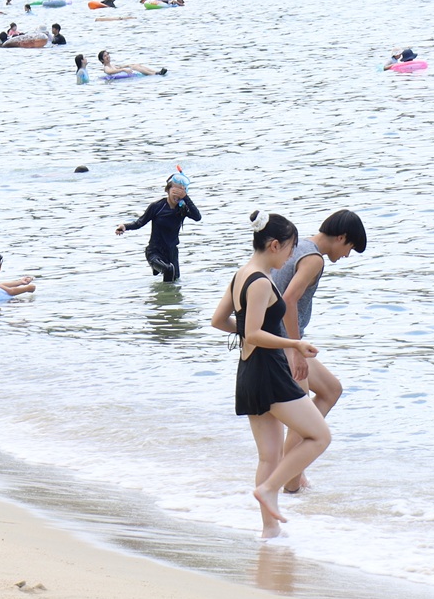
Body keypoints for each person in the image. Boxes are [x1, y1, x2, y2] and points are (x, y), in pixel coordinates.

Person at [207, 211, 328, 536]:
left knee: (269, 456)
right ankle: (271, 489)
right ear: (274, 244)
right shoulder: (260, 281)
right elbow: (257, 333)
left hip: (249, 373)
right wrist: (294, 343)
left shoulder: (241, 275)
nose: (291, 255)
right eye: (289, 248)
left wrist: (247, 333)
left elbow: (219, 321)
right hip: (269, 373)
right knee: (320, 436)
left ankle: (269, 530)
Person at [270, 209, 367, 491]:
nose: (347, 255)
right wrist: (296, 349)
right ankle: (290, 482)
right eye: (349, 248)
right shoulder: (313, 259)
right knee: (303, 416)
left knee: (331, 390)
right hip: (284, 343)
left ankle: (292, 474)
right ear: (341, 237)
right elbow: (288, 299)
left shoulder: (297, 244)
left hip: (274, 338)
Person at [113, 172, 202, 282]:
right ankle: (165, 296)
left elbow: (197, 217)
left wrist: (186, 198)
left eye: (181, 192)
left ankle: (165, 298)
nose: (177, 196)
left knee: (176, 280)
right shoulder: (157, 207)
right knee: (169, 270)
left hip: (171, 252)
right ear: (168, 190)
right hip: (154, 252)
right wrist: (124, 226)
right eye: (175, 191)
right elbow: (139, 223)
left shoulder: (182, 209)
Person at [97, 49, 165, 77]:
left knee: (136, 65)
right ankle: (154, 74)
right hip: (121, 76)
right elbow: (110, 72)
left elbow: (119, 67)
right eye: (105, 56)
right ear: (102, 60)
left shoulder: (112, 65)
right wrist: (123, 70)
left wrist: (128, 65)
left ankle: (156, 72)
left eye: (107, 54)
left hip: (123, 72)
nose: (107, 56)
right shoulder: (106, 68)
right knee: (135, 67)